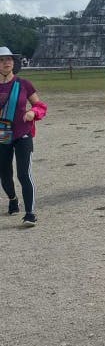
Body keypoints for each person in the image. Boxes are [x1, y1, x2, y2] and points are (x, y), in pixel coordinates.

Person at [0, 46, 47, 226]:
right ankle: (12, 199)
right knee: (4, 174)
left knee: (23, 173)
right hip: (3, 131)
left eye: (9, 59)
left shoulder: (24, 84)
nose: (6, 62)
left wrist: (33, 112)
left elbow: (40, 105)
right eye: (2, 60)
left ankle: (30, 213)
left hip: (22, 132)